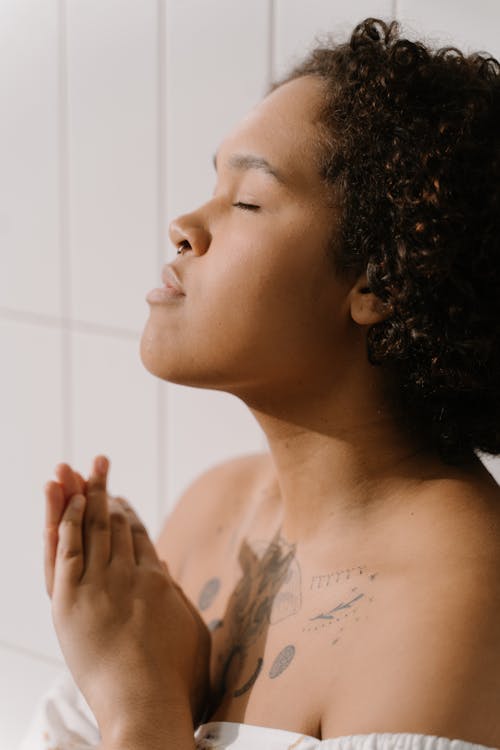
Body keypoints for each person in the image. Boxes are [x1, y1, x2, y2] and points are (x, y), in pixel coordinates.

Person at [21, 16, 500, 750]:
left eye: (246, 200)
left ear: (379, 280)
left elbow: (134, 716)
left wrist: (142, 705)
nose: (183, 224)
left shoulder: (456, 606)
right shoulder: (215, 508)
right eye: (212, 182)